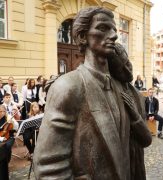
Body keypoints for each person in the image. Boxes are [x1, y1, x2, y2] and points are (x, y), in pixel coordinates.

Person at [34, 7, 148, 180]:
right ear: (82, 37)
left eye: (114, 30)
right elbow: (49, 167)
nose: (114, 36)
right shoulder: (68, 86)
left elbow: (139, 144)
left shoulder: (123, 88)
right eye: (103, 28)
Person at [108, 42, 152, 180]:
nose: (128, 70)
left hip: (137, 164)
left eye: (128, 63)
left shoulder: (138, 96)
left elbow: (146, 140)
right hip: (118, 166)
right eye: (121, 68)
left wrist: (135, 116)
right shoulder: (108, 94)